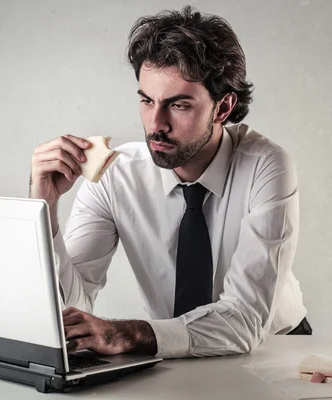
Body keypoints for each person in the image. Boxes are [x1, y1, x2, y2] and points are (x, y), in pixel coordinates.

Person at [29, 5, 311, 359]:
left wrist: (126, 334)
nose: (155, 124)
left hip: (275, 346)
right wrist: (45, 209)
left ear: (222, 108)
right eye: (147, 101)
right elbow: (72, 308)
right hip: (168, 347)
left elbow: (244, 318)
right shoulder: (116, 176)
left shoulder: (266, 166)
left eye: (178, 105)